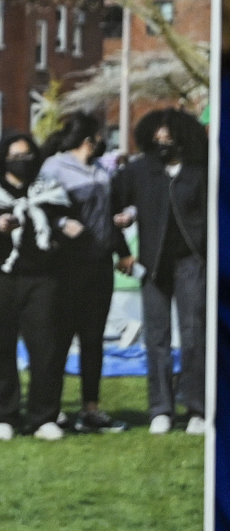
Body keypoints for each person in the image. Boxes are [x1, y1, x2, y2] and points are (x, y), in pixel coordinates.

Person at [0, 132, 76, 441]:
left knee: (45, 348)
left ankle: (43, 417)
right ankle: (2, 415)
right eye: (14, 157)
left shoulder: (48, 189)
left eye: (27, 156)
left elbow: (63, 222)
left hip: (41, 279)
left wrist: (62, 228)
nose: (21, 163)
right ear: (2, 159)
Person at [112, 108, 210, 436]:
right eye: (158, 139)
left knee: (194, 334)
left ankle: (197, 407)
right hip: (152, 266)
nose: (163, 144)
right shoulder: (139, 171)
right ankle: (161, 408)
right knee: (157, 338)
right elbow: (110, 207)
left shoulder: (200, 171)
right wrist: (124, 253)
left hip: (191, 262)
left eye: (169, 138)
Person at [40, 112, 128, 433]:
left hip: (100, 265)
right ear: (89, 139)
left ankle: (91, 408)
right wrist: (62, 224)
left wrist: (121, 238)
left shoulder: (101, 171)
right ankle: (52, 408)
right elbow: (40, 210)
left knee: (93, 340)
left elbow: (111, 210)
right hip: (68, 266)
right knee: (60, 338)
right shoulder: (54, 168)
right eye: (101, 135)